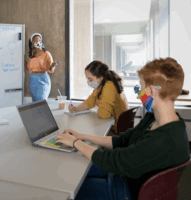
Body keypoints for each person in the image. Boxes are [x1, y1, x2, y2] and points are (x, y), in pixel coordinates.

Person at [55, 57, 190, 200]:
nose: (139, 95)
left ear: (151, 90)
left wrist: (75, 143)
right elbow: (122, 140)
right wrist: (83, 137)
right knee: (75, 167)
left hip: (124, 189)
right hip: (124, 174)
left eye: (140, 88)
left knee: (67, 187)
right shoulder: (155, 119)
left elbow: (113, 161)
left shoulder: (164, 139)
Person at [68, 60, 129, 135]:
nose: (88, 82)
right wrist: (76, 108)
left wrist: (98, 102)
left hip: (117, 132)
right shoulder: (102, 85)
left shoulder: (109, 86)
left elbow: (103, 114)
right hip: (115, 126)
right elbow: (90, 102)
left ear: (100, 78)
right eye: (87, 79)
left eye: (90, 79)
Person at [25, 33, 58, 101]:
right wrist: (22, 61)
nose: (38, 42)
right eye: (35, 41)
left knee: (41, 102)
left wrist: (53, 66)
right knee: (35, 103)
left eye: (39, 40)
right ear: (32, 43)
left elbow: (51, 70)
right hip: (33, 80)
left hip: (43, 79)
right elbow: (29, 68)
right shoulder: (32, 56)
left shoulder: (46, 54)